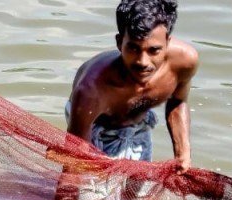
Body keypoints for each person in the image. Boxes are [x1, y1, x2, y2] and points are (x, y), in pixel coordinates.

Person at [65, 0, 197, 168]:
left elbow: (178, 101)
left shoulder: (184, 62)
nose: (143, 62)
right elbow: (75, 160)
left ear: (167, 43)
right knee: (87, 175)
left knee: (138, 183)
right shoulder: (92, 89)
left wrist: (183, 153)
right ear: (120, 42)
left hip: (137, 121)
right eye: (133, 48)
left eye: (154, 50)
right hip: (96, 123)